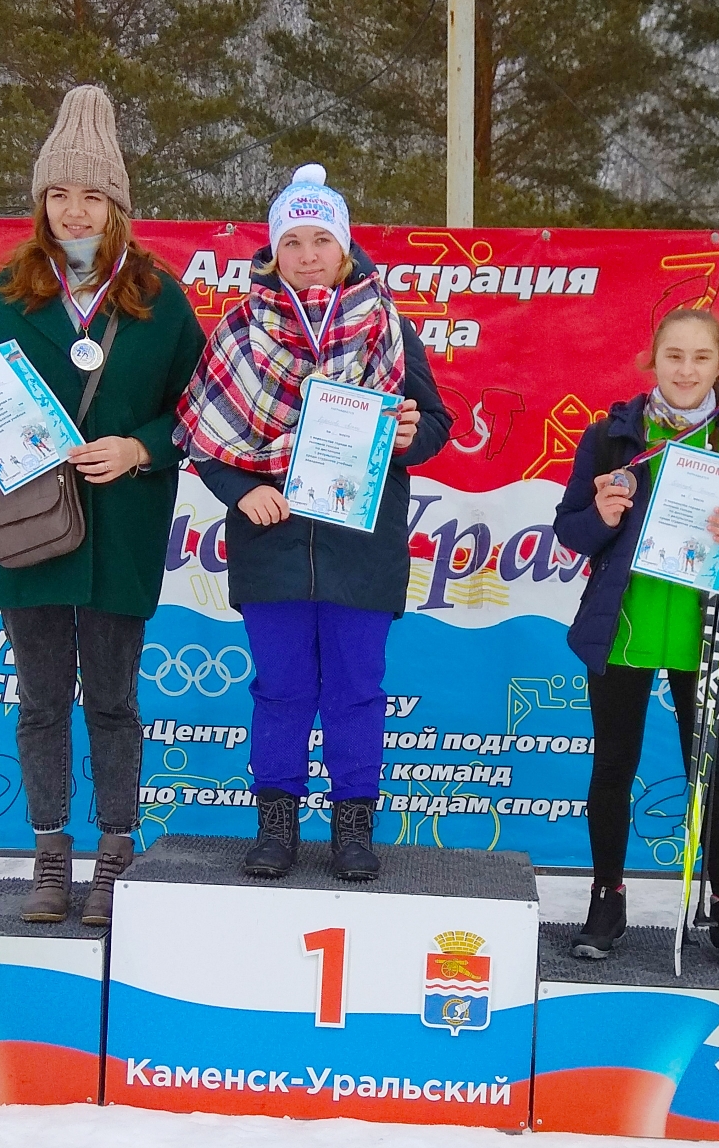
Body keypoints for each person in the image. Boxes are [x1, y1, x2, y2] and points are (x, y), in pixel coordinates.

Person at [0, 85, 205, 926]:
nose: (74, 210)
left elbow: (200, 410)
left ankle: (113, 856)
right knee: (40, 702)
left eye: (92, 195)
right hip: (31, 526)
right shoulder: (12, 291)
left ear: (118, 206)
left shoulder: (161, 296)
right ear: (41, 202)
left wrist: (140, 448)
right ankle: (48, 856)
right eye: (60, 193)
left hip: (122, 524)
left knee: (111, 700)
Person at [176, 163, 452, 881]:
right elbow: (202, 437)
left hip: (362, 546)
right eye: (291, 242)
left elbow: (434, 423)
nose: (307, 255)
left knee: (357, 690)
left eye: (320, 240)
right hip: (271, 545)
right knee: (281, 690)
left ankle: (353, 830)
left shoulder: (388, 326)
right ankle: (276, 829)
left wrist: (408, 437)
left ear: (345, 248)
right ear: (273, 253)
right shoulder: (239, 331)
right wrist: (241, 490)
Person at [552, 308, 719, 973]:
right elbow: (571, 530)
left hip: (705, 632)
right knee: (613, 766)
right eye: (674, 356)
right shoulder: (612, 436)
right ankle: (606, 898)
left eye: (701, 357)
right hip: (626, 627)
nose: (686, 370)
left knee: (710, 772)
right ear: (652, 360)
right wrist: (601, 515)